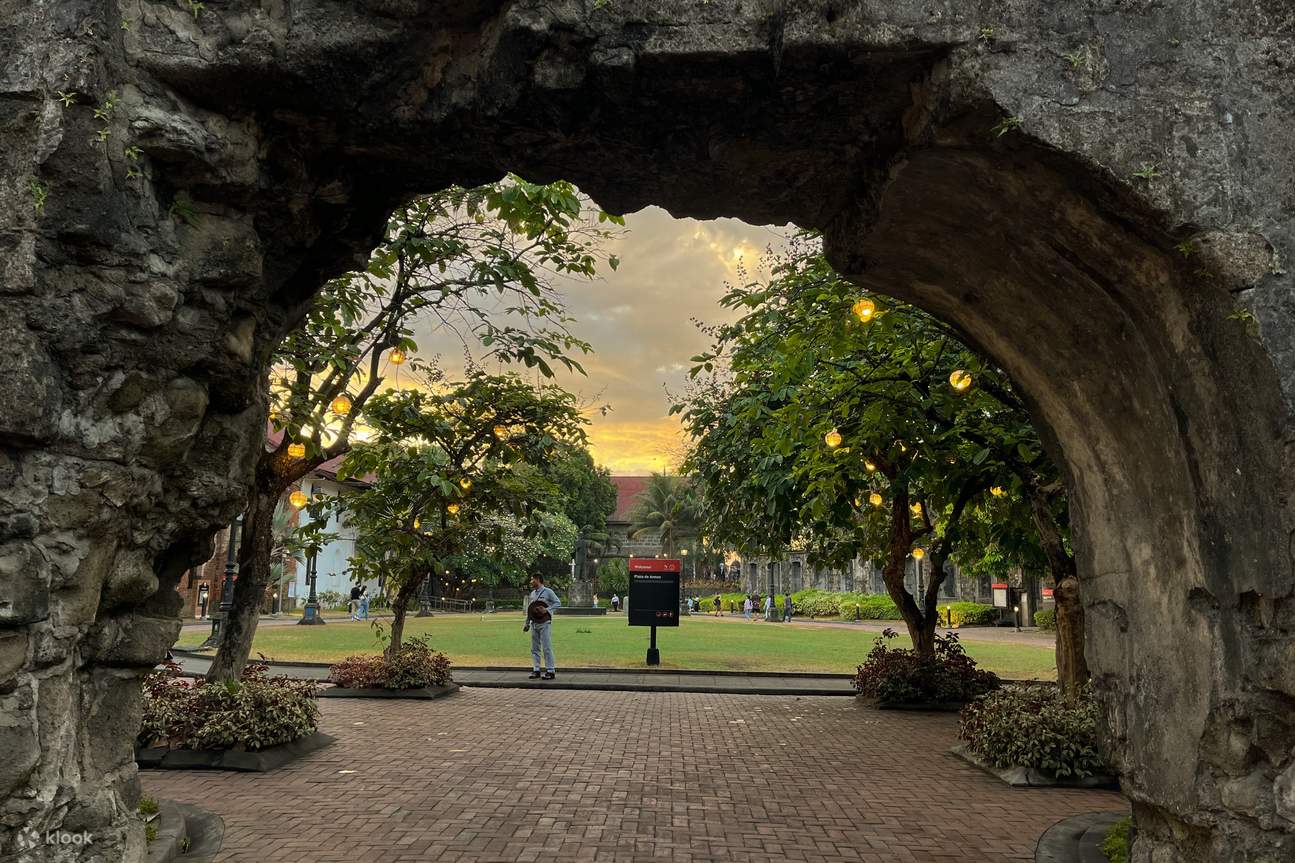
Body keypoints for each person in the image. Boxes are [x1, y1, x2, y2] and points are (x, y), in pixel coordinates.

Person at [523, 573, 562, 679]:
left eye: (532, 580)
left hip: (544, 623)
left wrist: (547, 610)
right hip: (534, 623)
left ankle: (550, 670)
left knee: (546, 647)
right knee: (534, 648)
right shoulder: (532, 594)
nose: (531, 582)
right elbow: (530, 610)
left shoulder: (548, 592)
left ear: (538, 580)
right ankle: (536, 670)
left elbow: (558, 603)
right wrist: (526, 623)